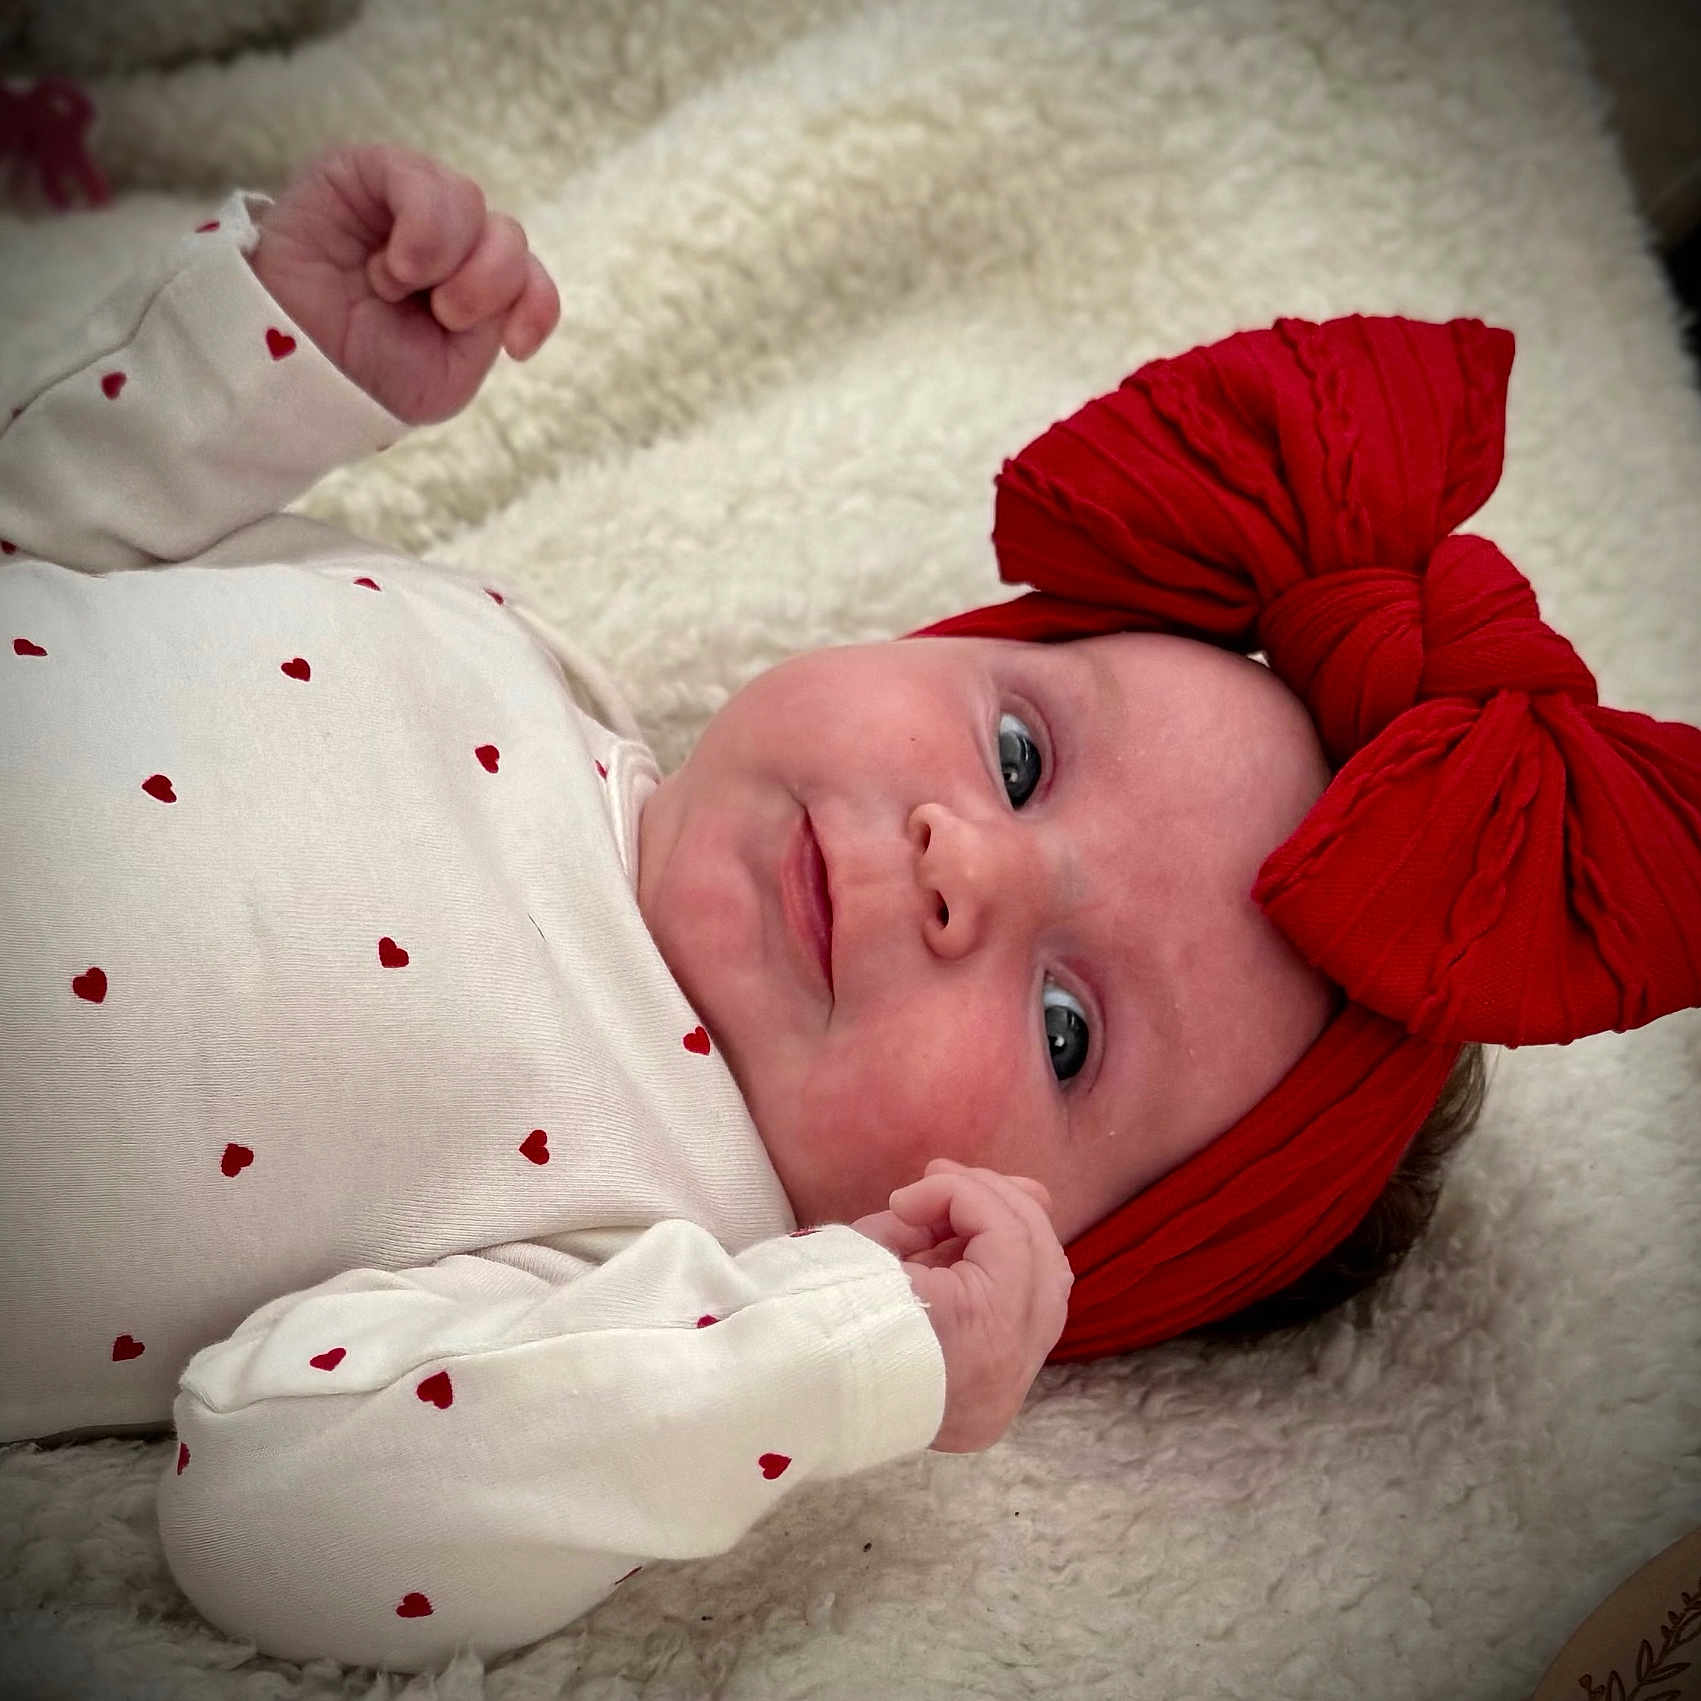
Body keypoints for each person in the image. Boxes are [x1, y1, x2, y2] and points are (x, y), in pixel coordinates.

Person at [2, 143, 1696, 1674]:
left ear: (1007, 1235)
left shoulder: (642, 1258)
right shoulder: (492, 639)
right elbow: (49, 529)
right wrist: (268, 357)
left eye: (1066, 1028)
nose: (970, 867)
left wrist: (819, 1357)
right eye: (1021, 755)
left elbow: (265, 1513)